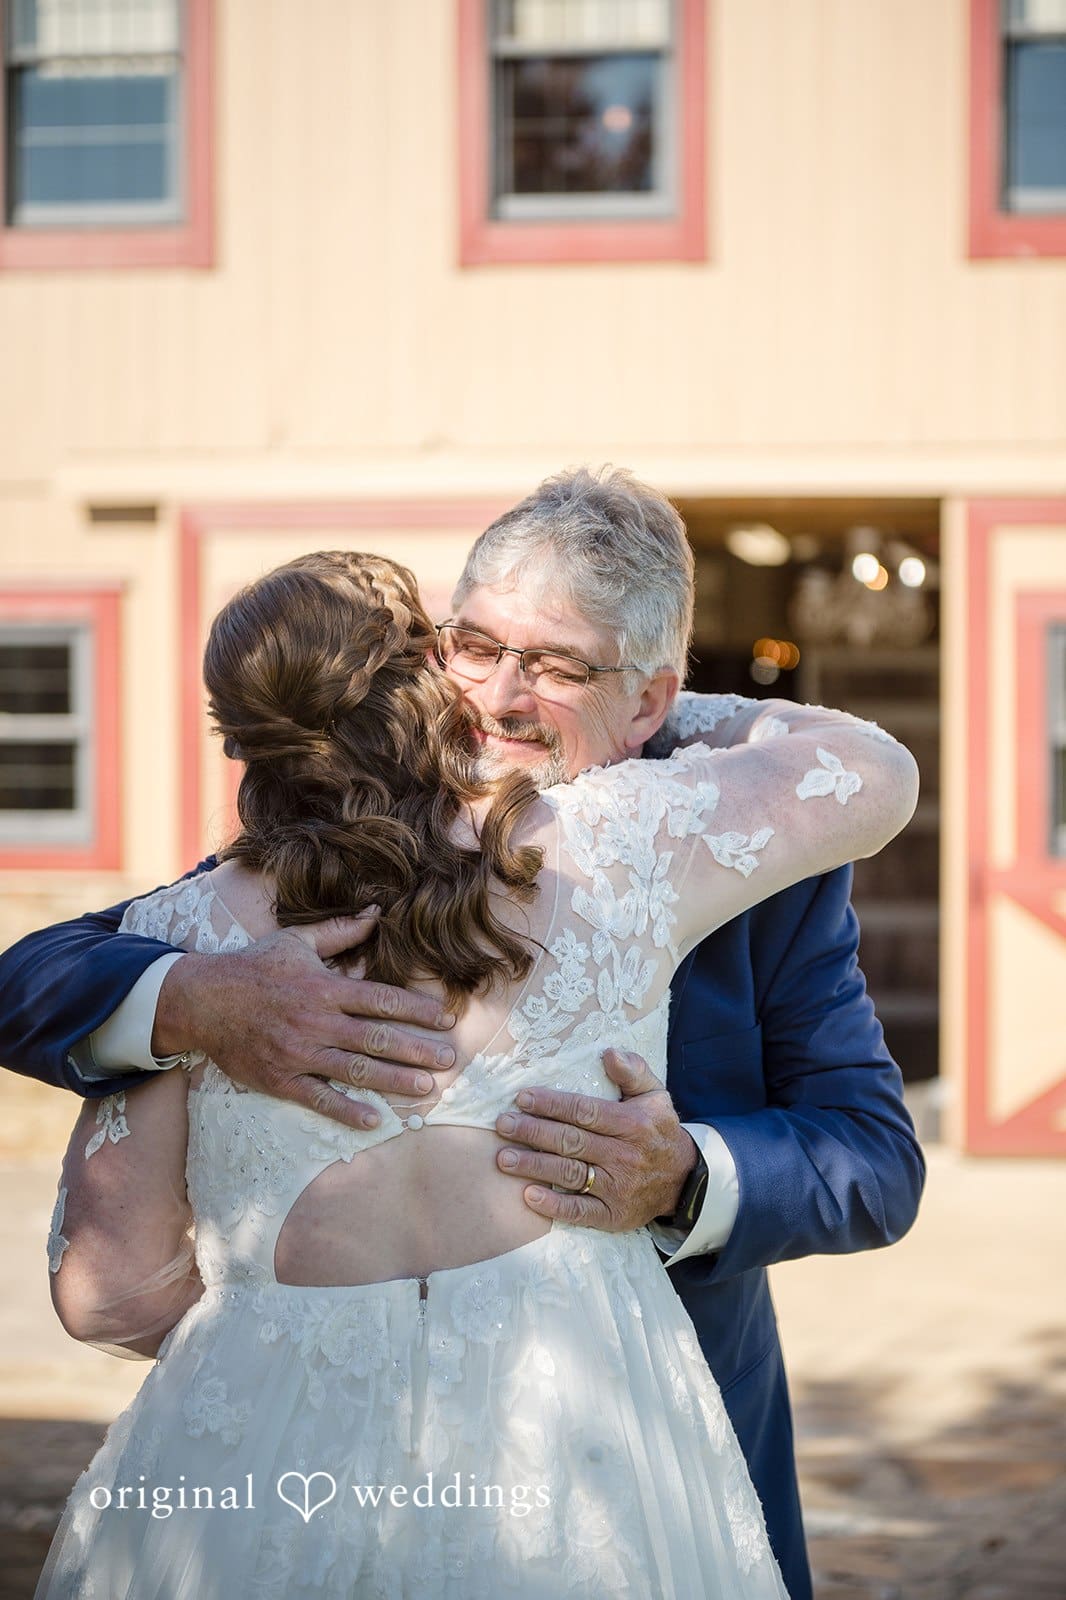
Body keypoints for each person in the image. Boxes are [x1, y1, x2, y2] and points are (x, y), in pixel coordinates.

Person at [1, 469, 926, 1598]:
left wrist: (687, 1176)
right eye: (471, 646)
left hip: (637, 1455)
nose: (495, 697)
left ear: (651, 703)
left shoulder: (760, 869)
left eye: (556, 665)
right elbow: (35, 977)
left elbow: (872, 1158)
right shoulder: (290, 871)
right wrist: (198, 1001)